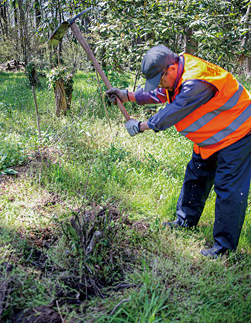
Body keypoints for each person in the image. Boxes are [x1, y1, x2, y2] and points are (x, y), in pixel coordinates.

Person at [106, 44, 251, 258]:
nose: (160, 85)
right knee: (196, 176)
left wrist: (141, 126)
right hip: (212, 137)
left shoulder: (195, 82)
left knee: (228, 189)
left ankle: (224, 249)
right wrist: (127, 95)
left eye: (160, 79)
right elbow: (161, 93)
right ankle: (184, 222)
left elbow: (174, 111)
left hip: (239, 133)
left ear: (171, 69)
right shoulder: (178, 71)